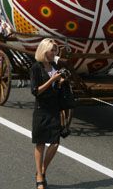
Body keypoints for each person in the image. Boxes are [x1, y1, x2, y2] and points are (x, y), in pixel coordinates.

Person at [31, 39, 65, 189]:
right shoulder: (36, 68)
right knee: (40, 143)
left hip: (54, 108)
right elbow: (35, 91)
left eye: (55, 50)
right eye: (52, 50)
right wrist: (53, 79)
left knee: (55, 142)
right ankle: (39, 176)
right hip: (41, 109)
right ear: (44, 51)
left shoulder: (54, 66)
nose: (54, 53)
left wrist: (61, 82)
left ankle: (42, 169)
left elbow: (56, 88)